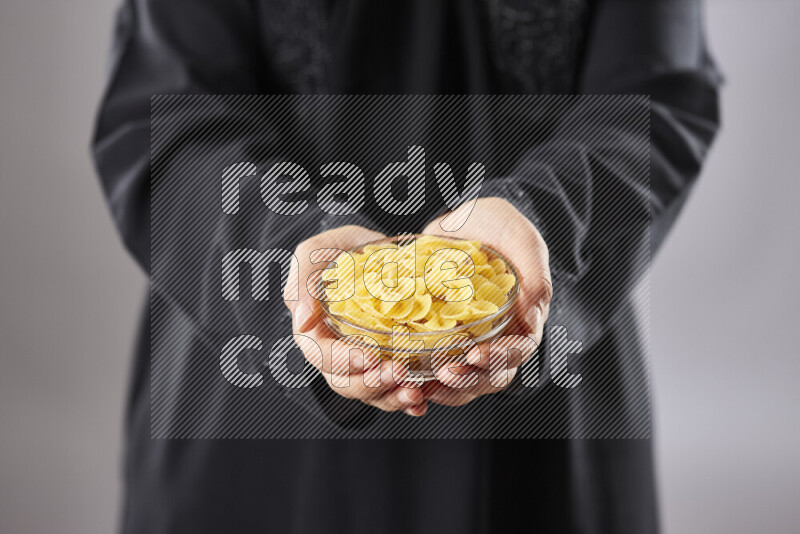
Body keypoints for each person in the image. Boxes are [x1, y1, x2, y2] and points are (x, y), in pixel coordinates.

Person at [92, 0, 721, 532]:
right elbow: (164, 113)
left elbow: (654, 96)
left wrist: (543, 220)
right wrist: (289, 261)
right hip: (249, 407)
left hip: (540, 391)